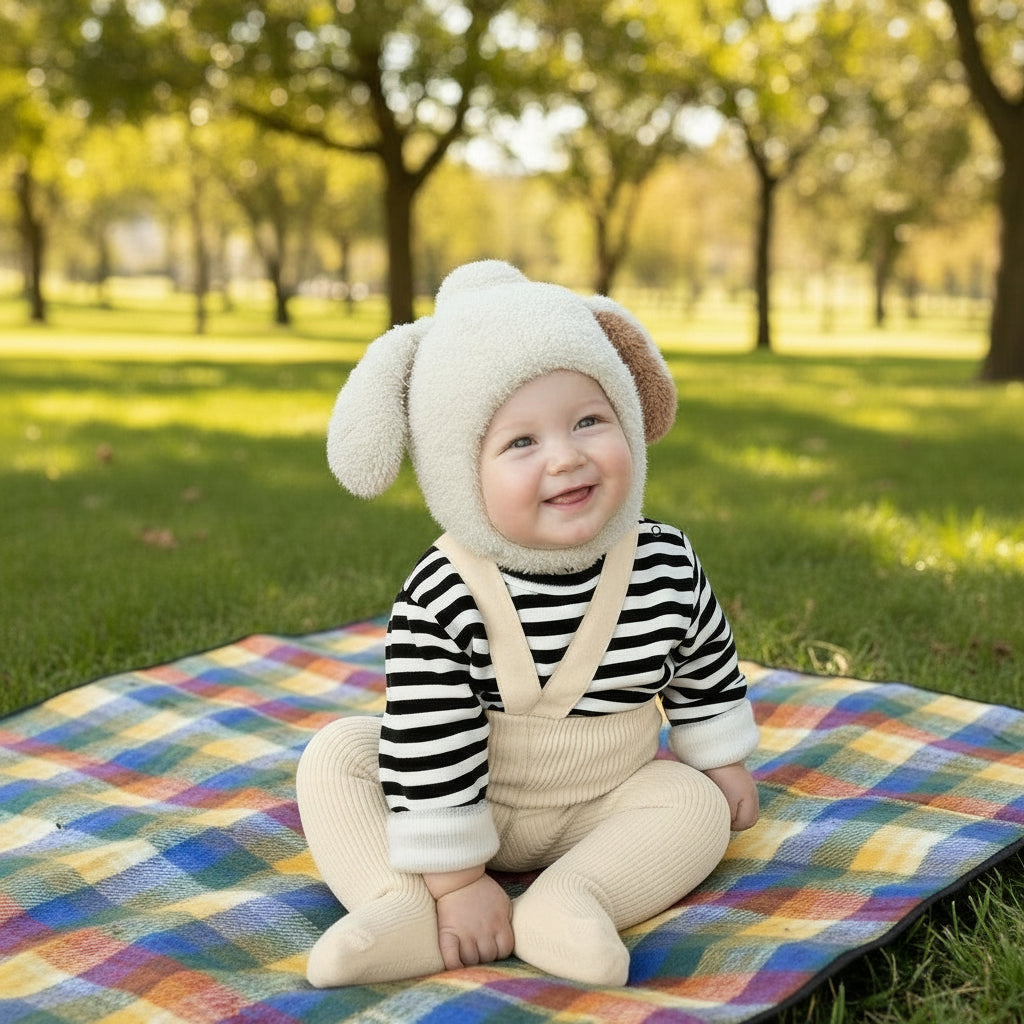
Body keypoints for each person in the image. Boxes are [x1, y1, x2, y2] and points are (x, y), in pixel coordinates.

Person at [297, 260, 760, 990]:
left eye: (588, 420)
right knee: (339, 757)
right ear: (458, 471)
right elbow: (427, 739)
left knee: (695, 805)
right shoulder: (444, 592)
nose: (567, 456)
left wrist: (719, 754)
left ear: (631, 421)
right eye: (521, 443)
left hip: (606, 803)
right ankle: (402, 907)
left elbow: (704, 662)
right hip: (465, 794)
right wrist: (457, 880)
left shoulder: (663, 560)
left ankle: (573, 899)